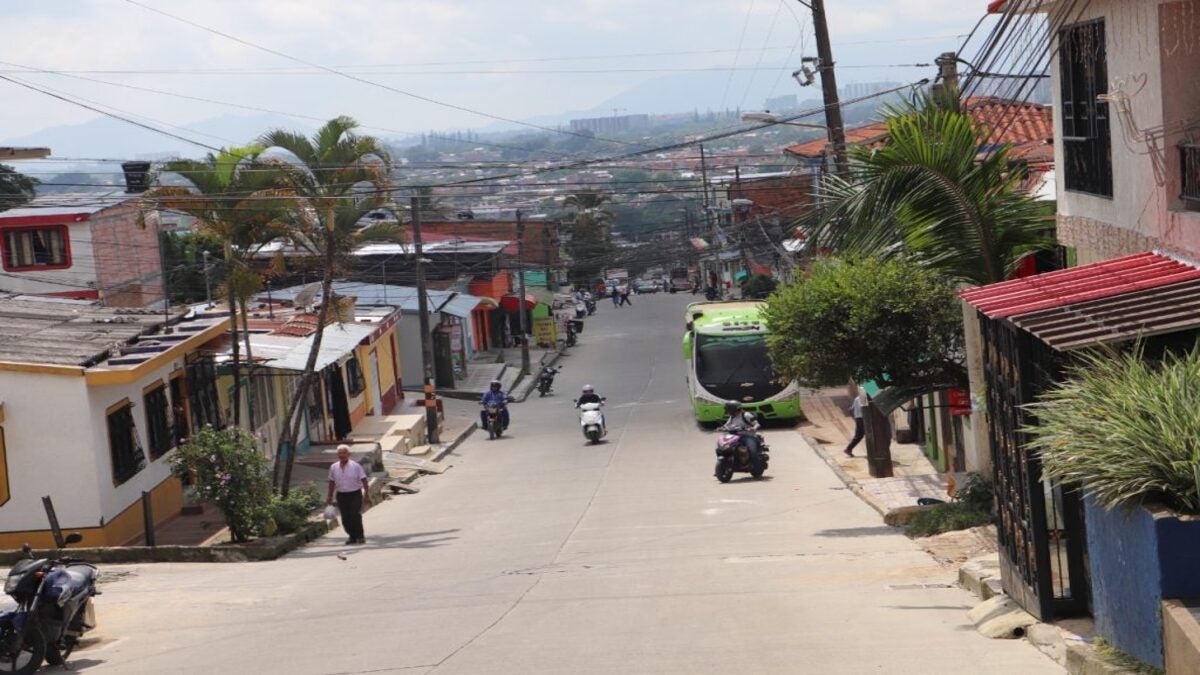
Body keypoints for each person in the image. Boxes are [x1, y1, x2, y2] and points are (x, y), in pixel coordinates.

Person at [326, 444, 371, 545]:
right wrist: (329, 496)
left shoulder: (356, 466)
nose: (342, 455)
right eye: (340, 453)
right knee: (345, 517)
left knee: (355, 515)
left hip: (355, 494)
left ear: (348, 454)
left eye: (344, 453)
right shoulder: (333, 467)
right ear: (337, 455)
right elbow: (331, 482)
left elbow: (364, 480)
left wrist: (366, 494)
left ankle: (360, 536)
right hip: (341, 495)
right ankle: (352, 536)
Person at [844, 387, 868, 456]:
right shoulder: (863, 398)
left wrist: (855, 416)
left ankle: (848, 449)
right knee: (868, 434)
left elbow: (851, 409)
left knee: (859, 435)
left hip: (858, 418)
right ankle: (873, 451)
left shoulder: (857, 398)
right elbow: (864, 408)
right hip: (863, 418)